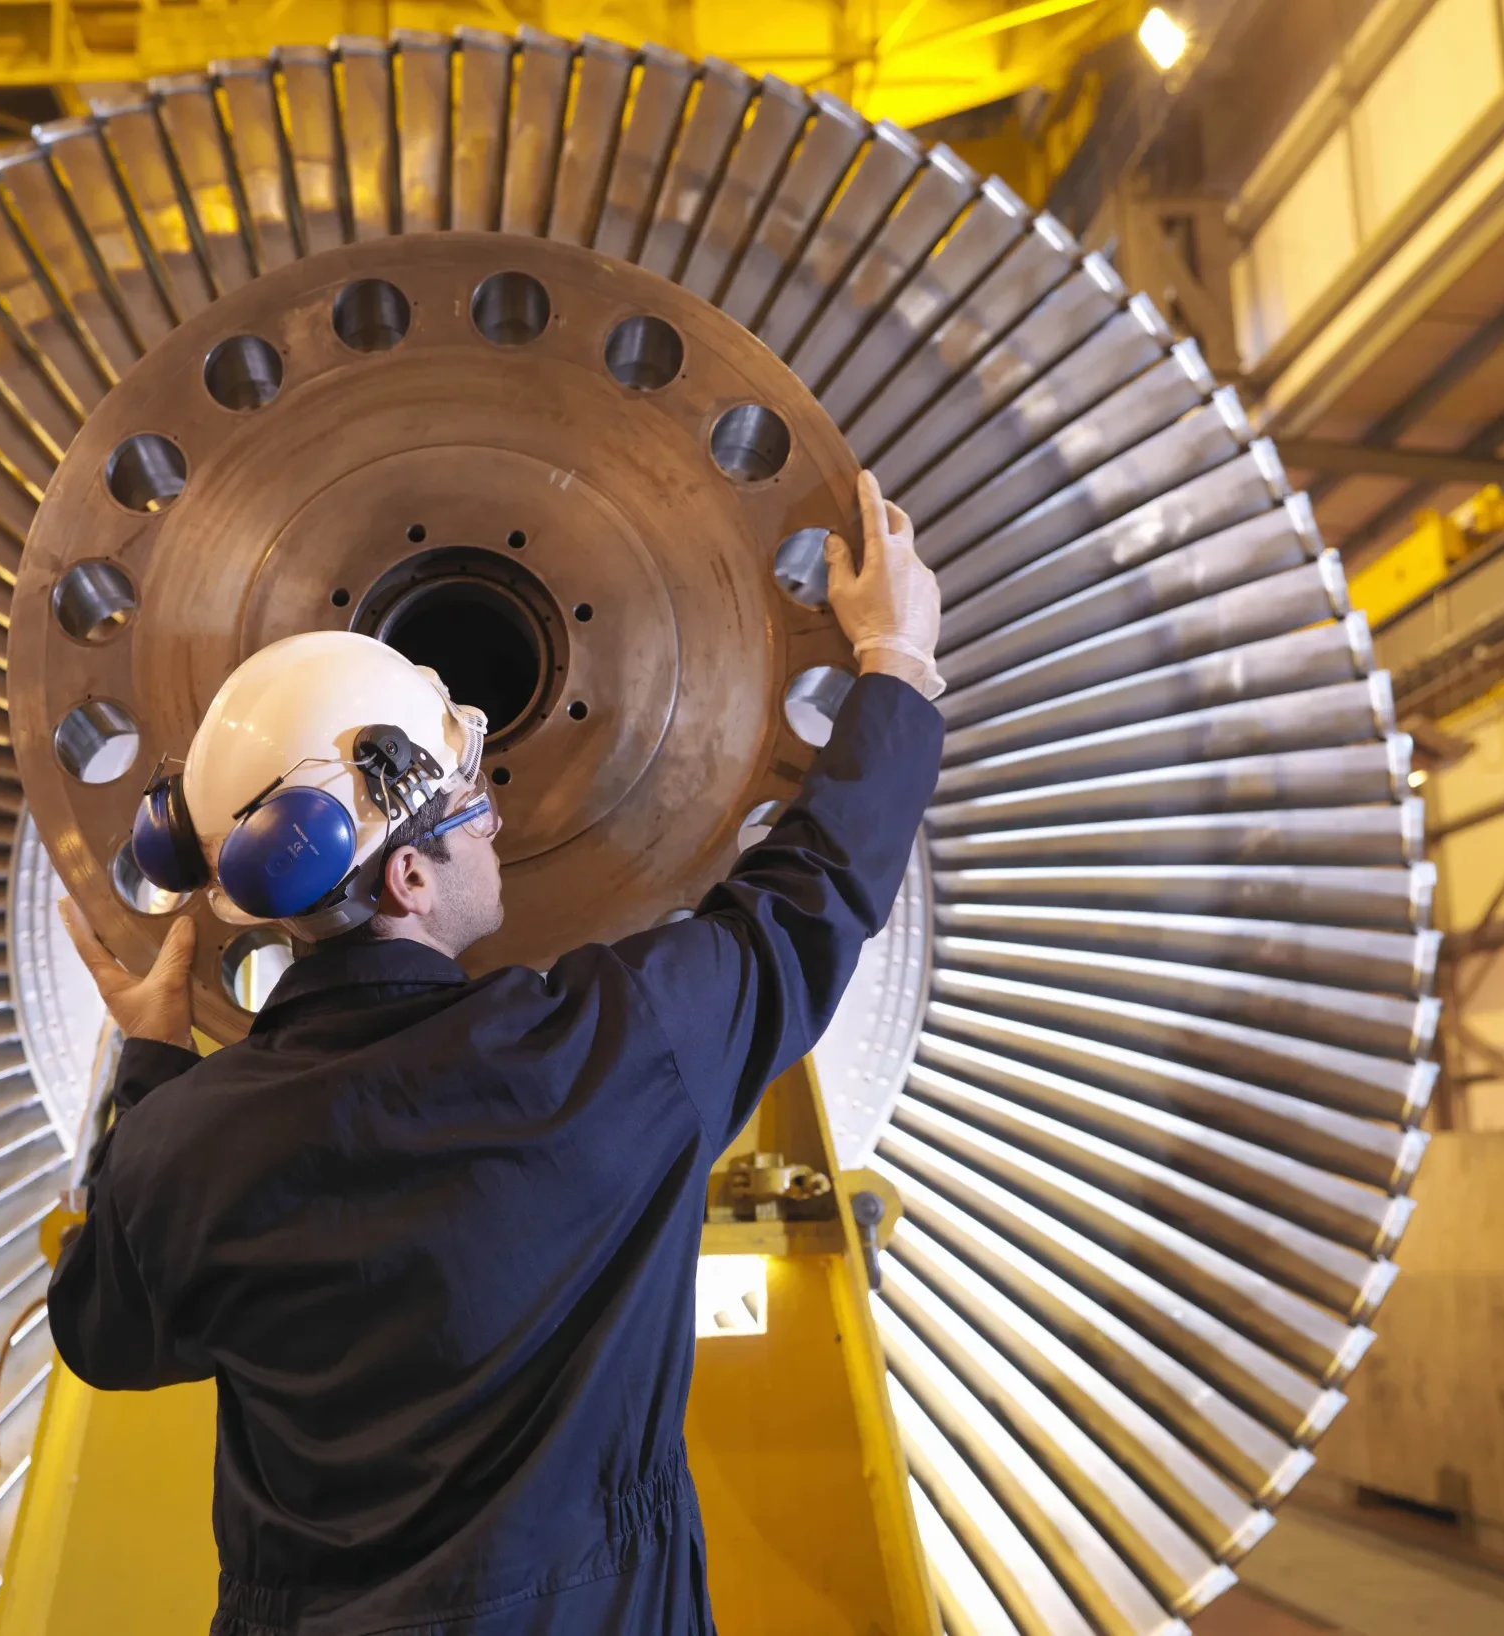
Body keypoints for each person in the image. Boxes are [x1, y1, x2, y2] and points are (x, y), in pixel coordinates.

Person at [48, 470, 945, 1635]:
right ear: (408, 877)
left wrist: (153, 1065)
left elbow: (103, 1336)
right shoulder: (609, 1057)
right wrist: (894, 658)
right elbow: (812, 898)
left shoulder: (178, 1151)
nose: (500, 818)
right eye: (470, 794)